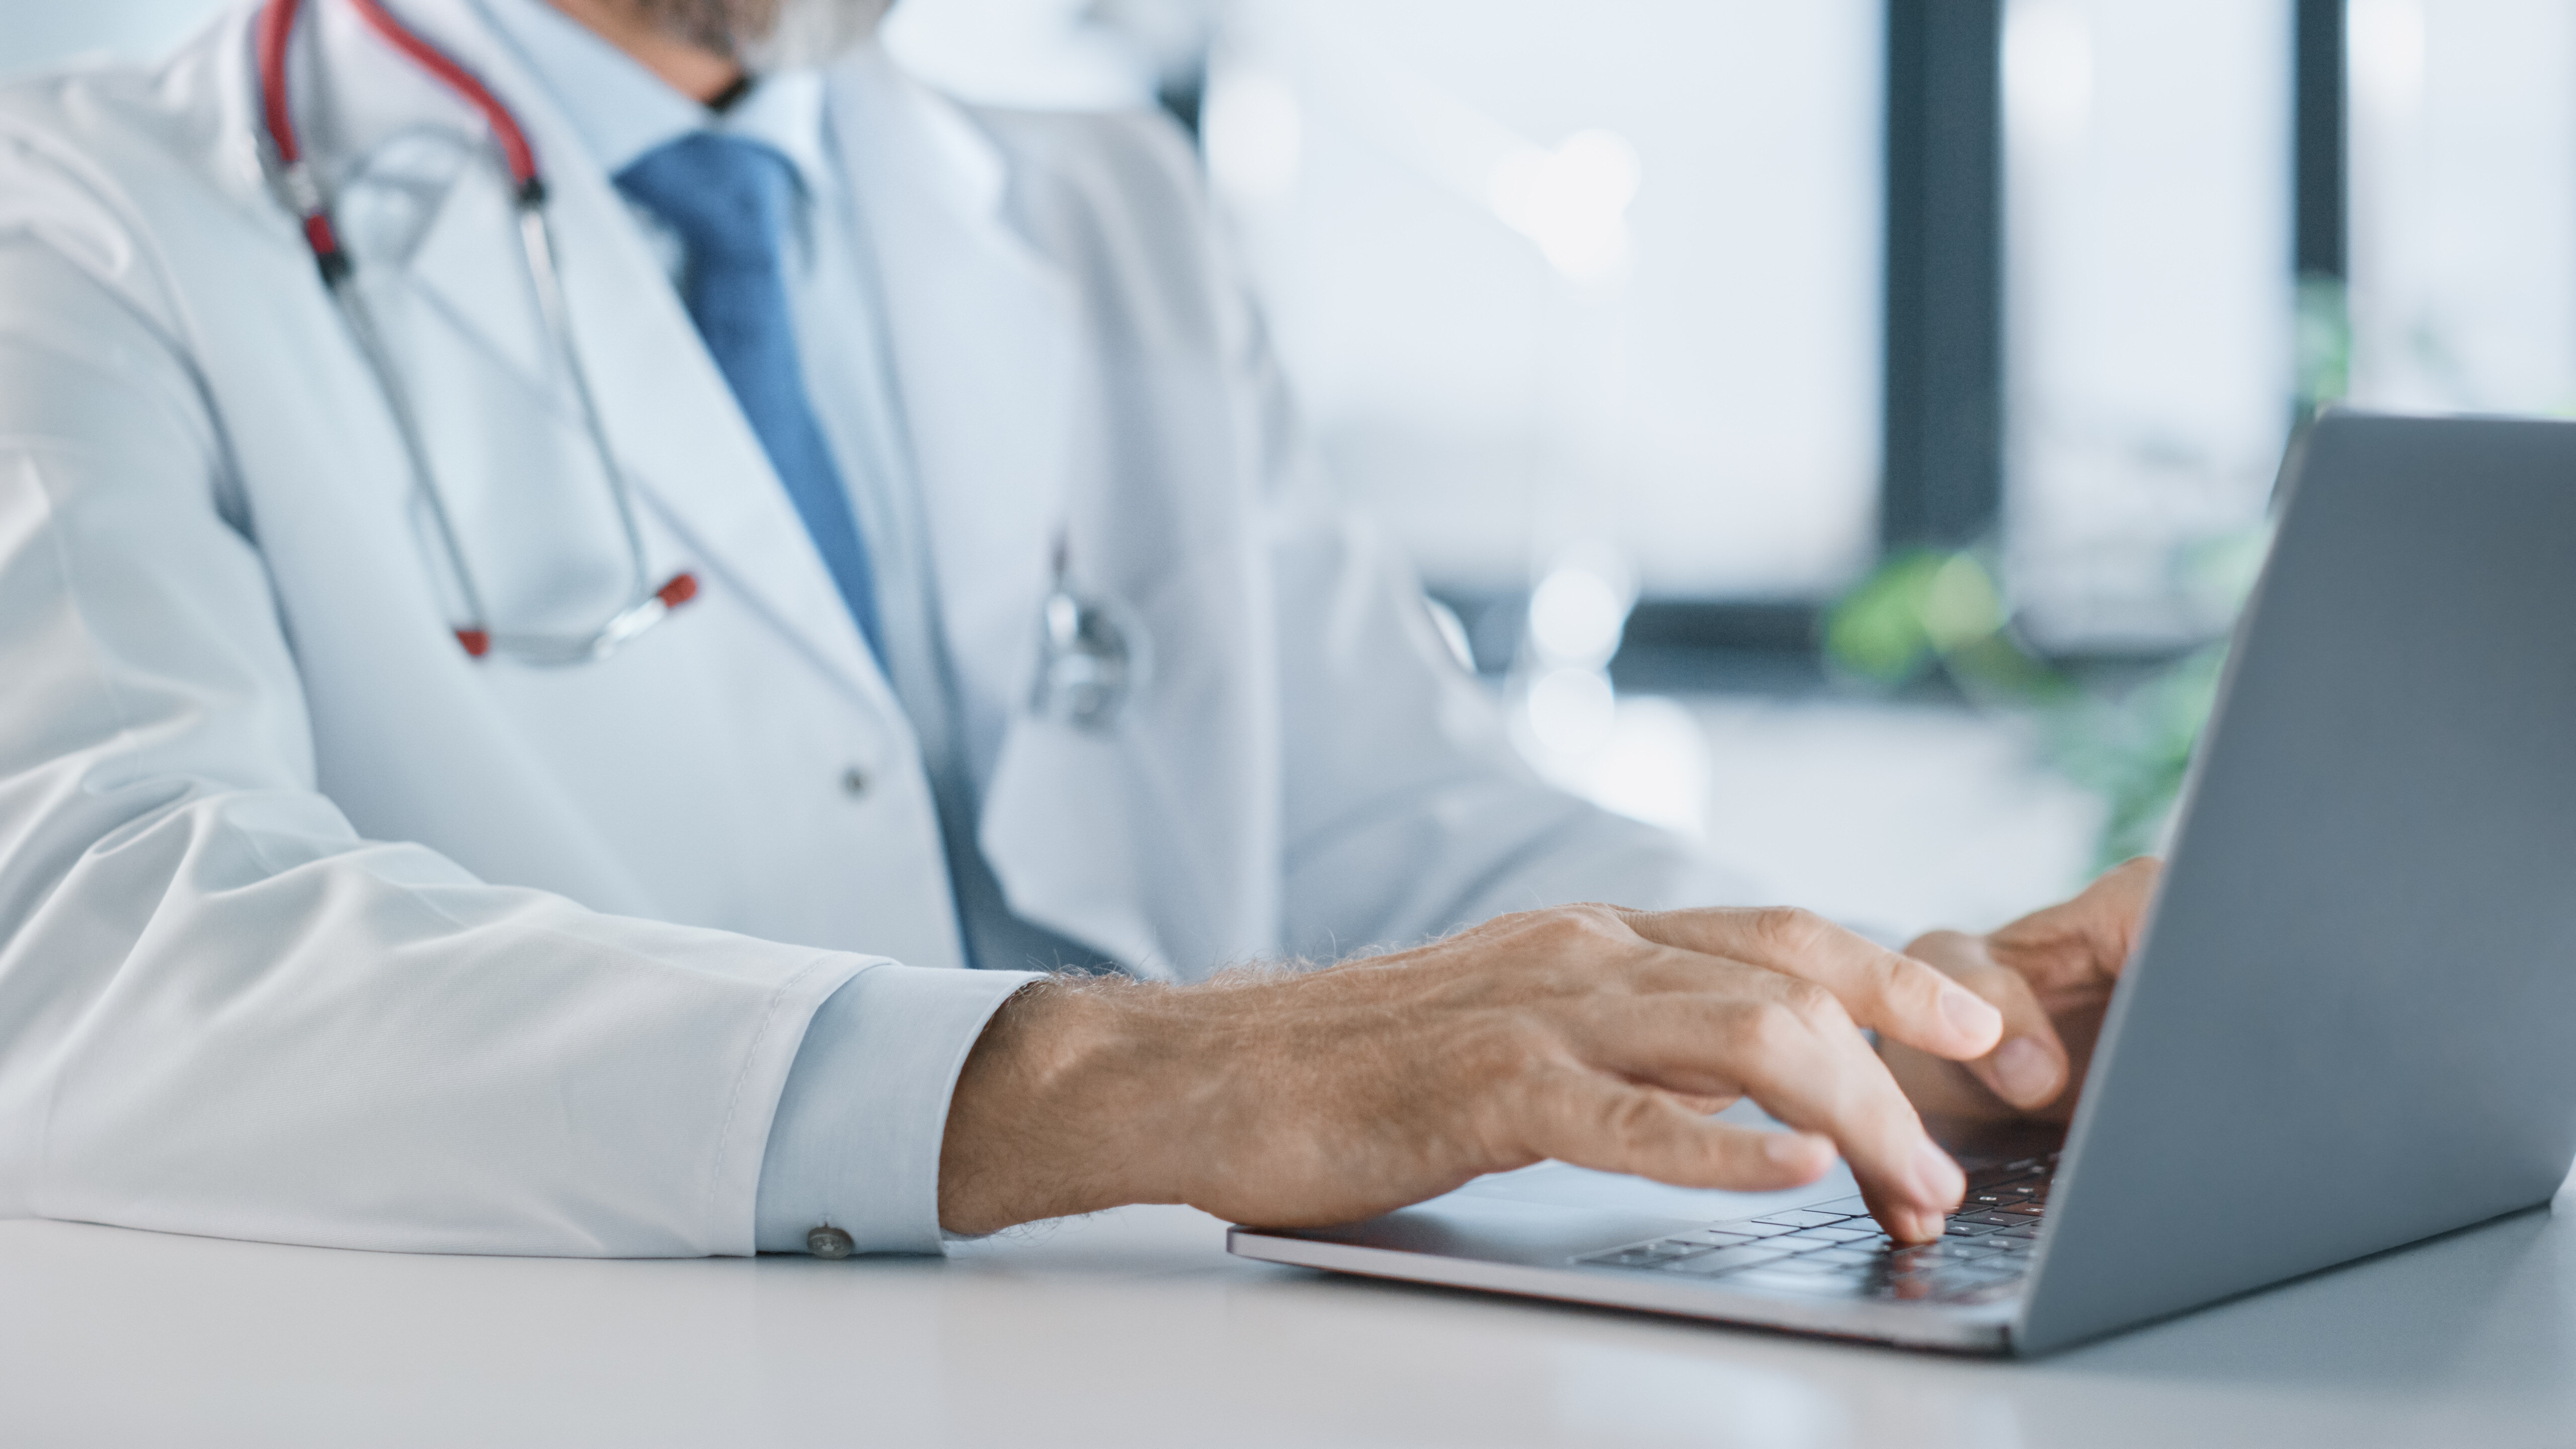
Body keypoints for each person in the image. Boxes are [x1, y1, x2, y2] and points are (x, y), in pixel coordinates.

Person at [0, 0, 2149, 1260]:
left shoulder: (1086, 200)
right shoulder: (79, 220)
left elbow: (1404, 834)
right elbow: (83, 950)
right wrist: (1134, 1081)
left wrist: (1885, 1030)